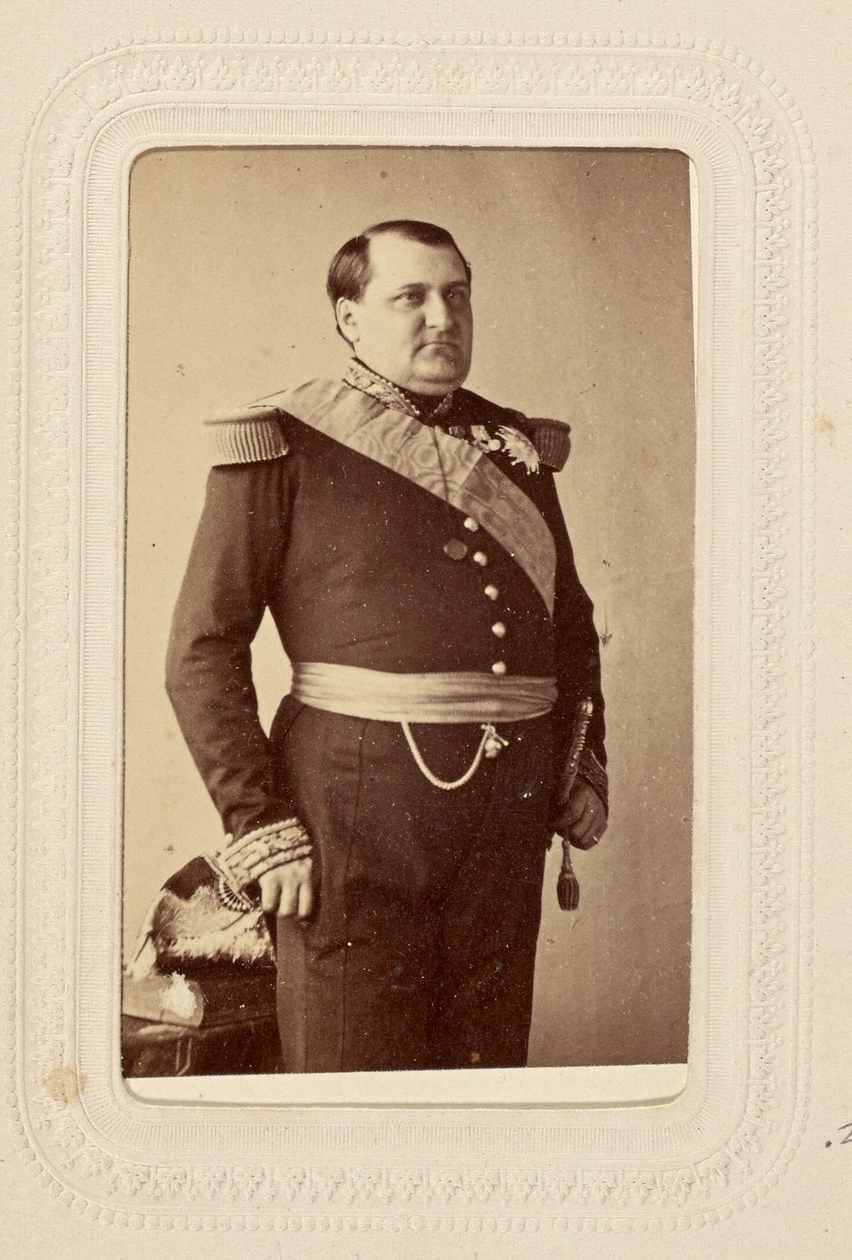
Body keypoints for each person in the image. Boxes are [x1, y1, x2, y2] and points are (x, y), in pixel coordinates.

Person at [166, 219, 608, 1074]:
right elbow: (202, 648)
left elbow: (571, 626)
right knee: (351, 1074)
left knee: (484, 1069)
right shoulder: (283, 440)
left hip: (508, 813)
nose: (443, 317)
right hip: (349, 810)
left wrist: (581, 766)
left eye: (457, 295)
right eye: (411, 296)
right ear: (350, 318)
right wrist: (261, 825)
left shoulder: (515, 449)